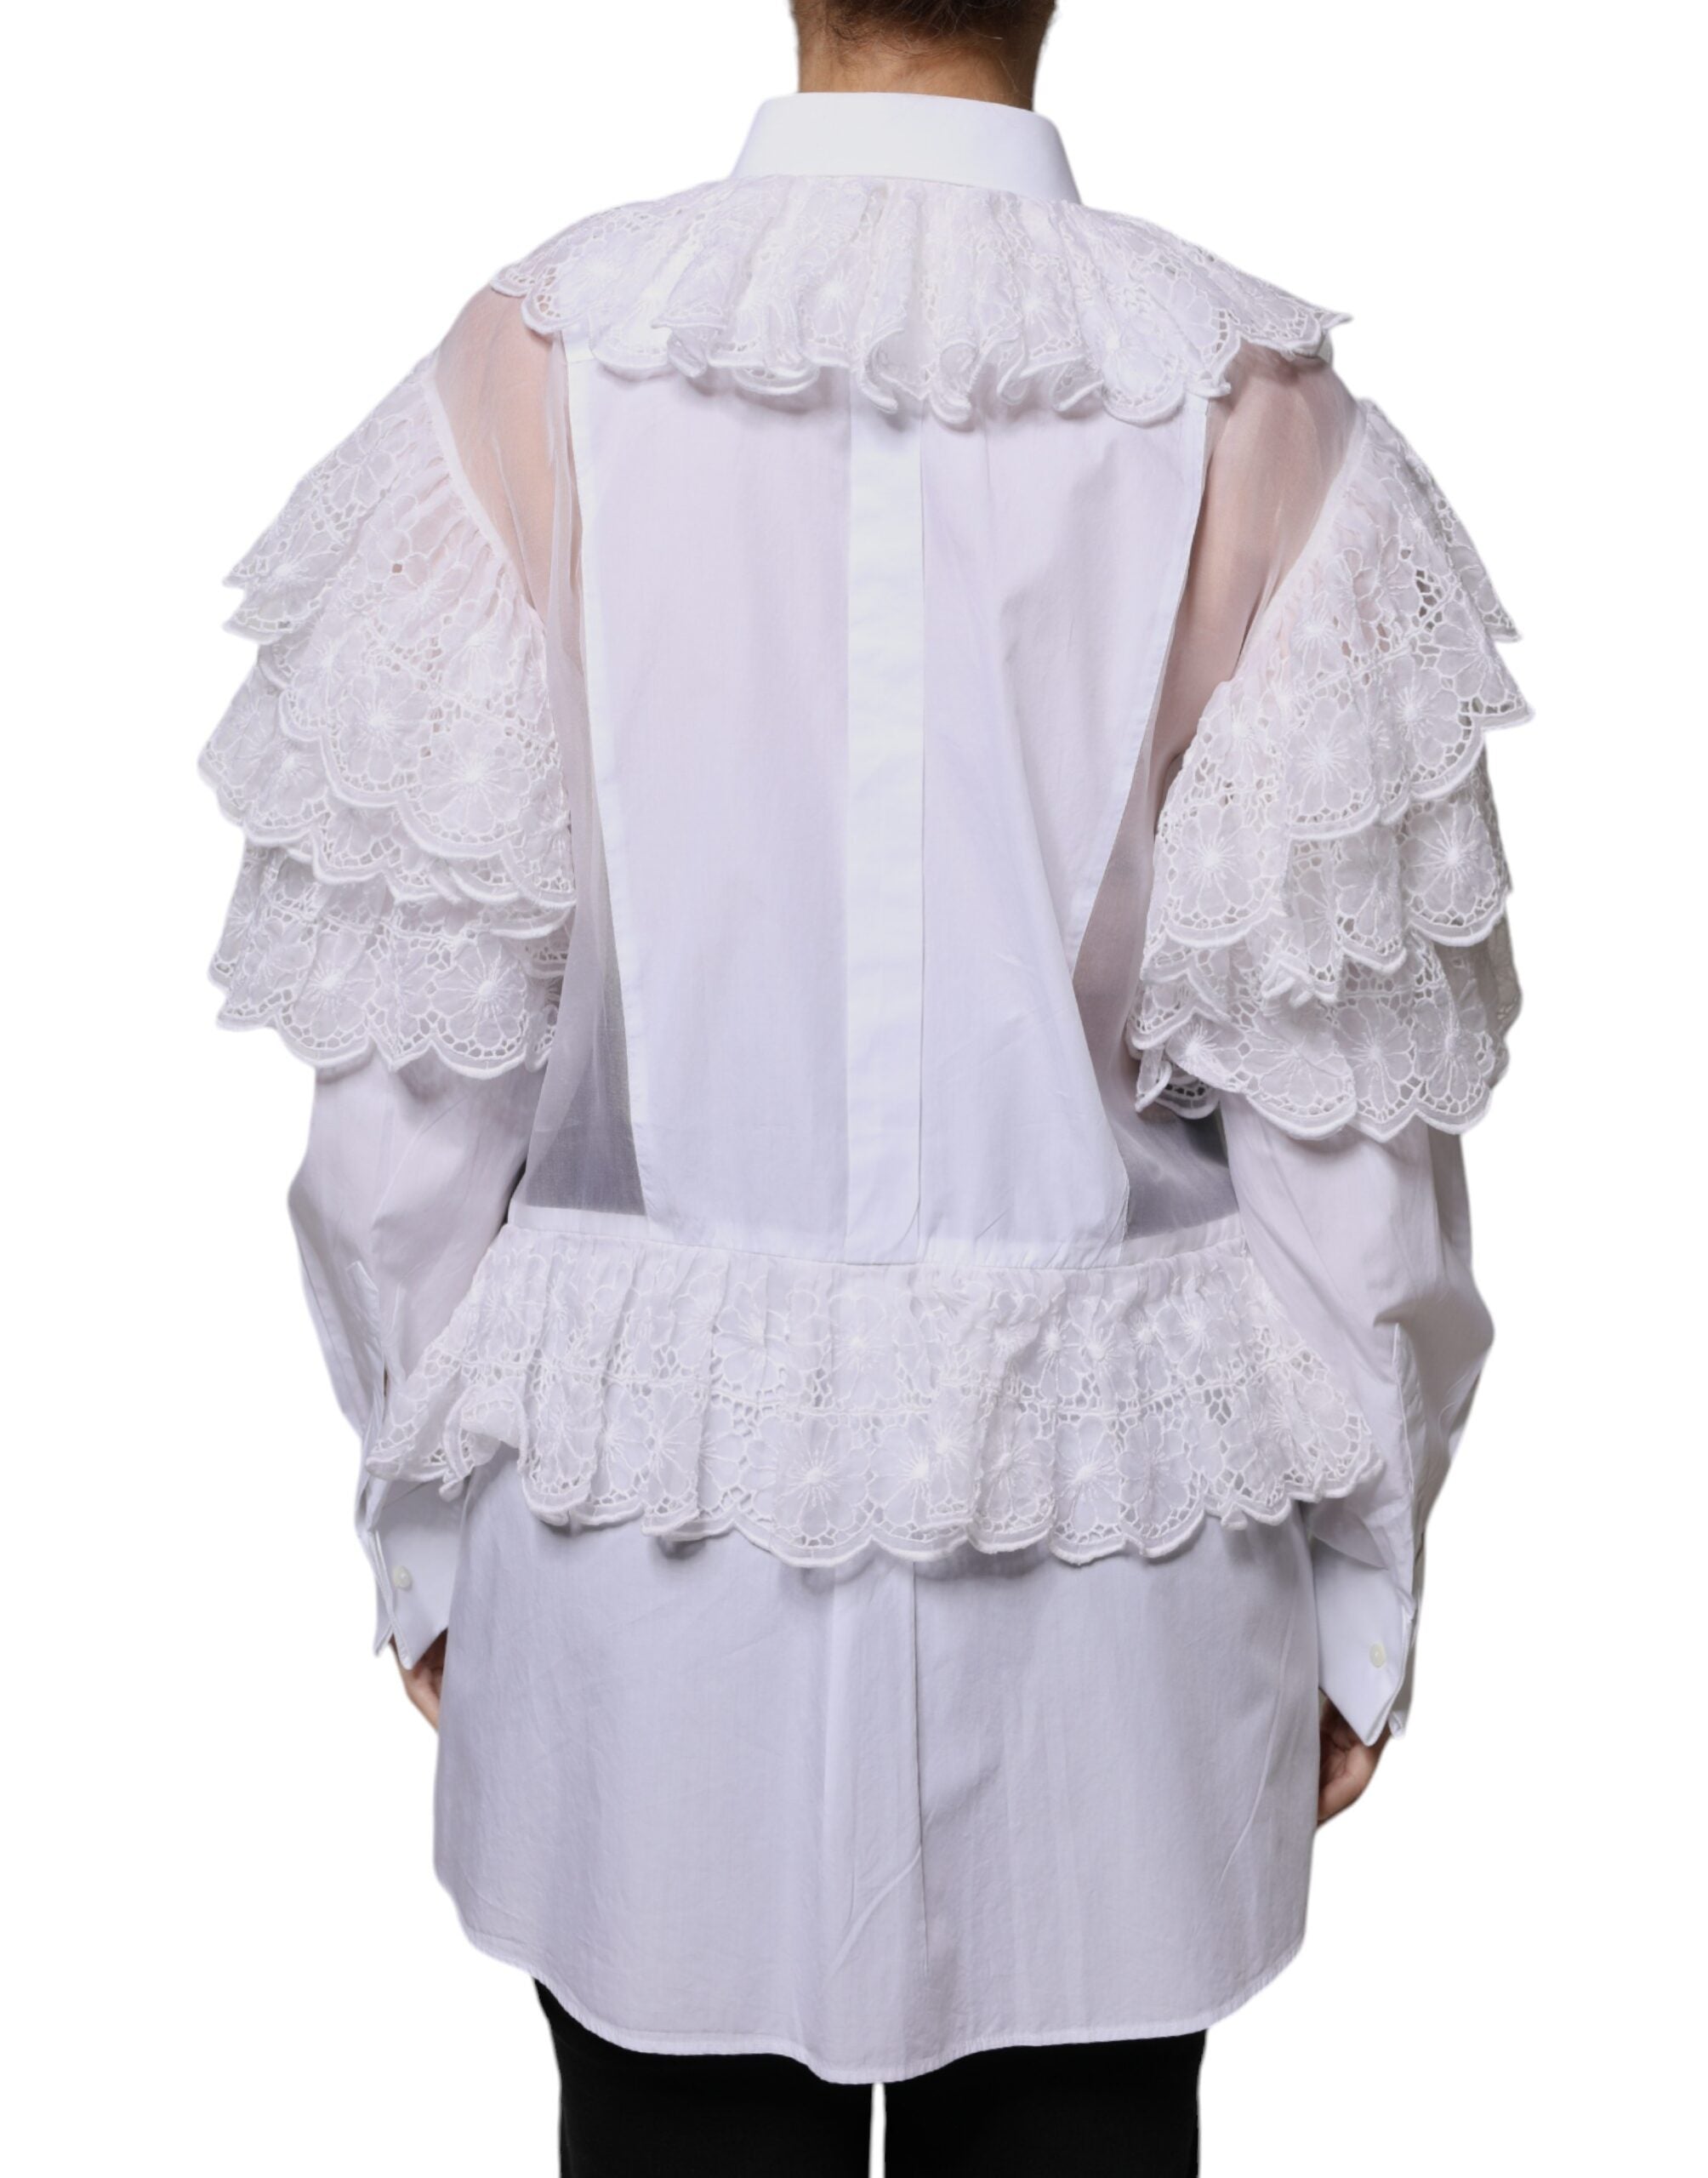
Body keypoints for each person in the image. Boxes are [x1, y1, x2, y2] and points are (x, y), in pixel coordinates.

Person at [201, 1, 1529, 2169]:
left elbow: (399, 1126)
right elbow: (1351, 1150)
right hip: (1121, 1603)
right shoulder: (1258, 412)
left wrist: (433, 1534)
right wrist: (1361, 1591)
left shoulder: (533, 368)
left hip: (640, 1587)